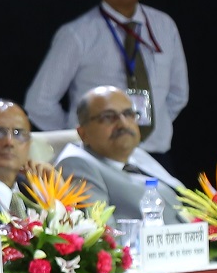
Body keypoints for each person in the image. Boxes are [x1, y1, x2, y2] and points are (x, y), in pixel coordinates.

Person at [24, 0, 189, 156]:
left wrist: (151, 127)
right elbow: (39, 102)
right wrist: (80, 133)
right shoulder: (77, 34)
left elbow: (178, 94)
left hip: (154, 153)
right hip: (97, 155)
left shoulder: (164, 26)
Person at [55, 85, 187, 221]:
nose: (123, 124)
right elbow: (103, 230)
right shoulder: (76, 164)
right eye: (108, 117)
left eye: (129, 114)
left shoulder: (135, 153)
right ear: (83, 133)